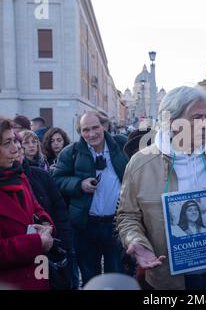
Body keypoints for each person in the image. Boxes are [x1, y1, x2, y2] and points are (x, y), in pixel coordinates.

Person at [117, 86, 206, 290]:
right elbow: (127, 215)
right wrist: (136, 241)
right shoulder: (140, 163)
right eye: (197, 117)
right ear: (172, 122)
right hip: (168, 277)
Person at [0, 113, 54, 290]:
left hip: (37, 270)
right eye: (7, 143)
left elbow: (35, 208)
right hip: (2, 282)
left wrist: (45, 223)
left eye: (14, 141)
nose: (16, 149)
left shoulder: (16, 173)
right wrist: (38, 242)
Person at [52, 111, 129, 285]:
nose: (91, 134)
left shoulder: (121, 145)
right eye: (85, 130)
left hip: (117, 224)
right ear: (80, 132)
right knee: (89, 276)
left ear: (105, 126)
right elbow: (56, 179)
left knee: (116, 275)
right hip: (85, 225)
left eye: (95, 127)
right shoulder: (69, 152)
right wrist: (79, 184)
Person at [14, 133, 73, 289]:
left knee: (51, 281)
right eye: (24, 144)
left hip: (49, 243)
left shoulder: (41, 174)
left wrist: (63, 240)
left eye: (20, 149)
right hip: (23, 249)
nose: (18, 152)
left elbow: (59, 208)